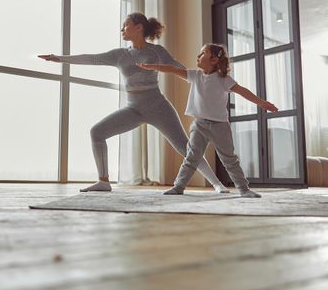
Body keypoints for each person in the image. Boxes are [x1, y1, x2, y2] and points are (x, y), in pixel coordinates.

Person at [38, 12, 229, 193]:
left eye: (125, 26)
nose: (122, 29)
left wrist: (206, 80)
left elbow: (178, 68)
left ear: (138, 28)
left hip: (158, 106)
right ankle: (103, 181)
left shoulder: (156, 51)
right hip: (133, 109)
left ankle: (217, 184)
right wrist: (59, 58)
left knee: (185, 147)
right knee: (97, 132)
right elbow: (92, 58)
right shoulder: (120, 54)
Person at [138, 43, 278, 198]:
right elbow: (173, 70)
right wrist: (152, 66)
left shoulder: (224, 79)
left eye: (203, 53)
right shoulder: (195, 75)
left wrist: (262, 103)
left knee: (230, 159)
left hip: (220, 126)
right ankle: (178, 187)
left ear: (213, 60)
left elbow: (243, 91)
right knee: (192, 157)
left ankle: (244, 189)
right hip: (199, 125)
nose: (198, 56)